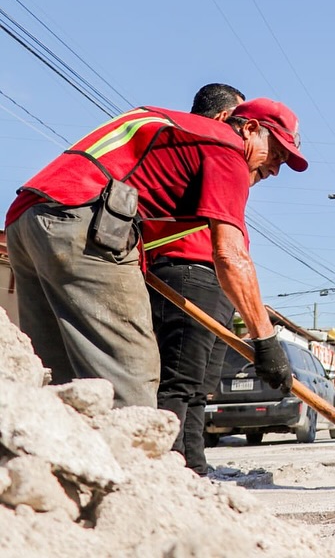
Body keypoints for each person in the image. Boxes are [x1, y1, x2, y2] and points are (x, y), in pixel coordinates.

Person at [7, 97, 305, 411]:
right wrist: (266, 343)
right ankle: (131, 457)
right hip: (84, 224)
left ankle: (62, 456)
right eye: (276, 154)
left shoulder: (181, 132)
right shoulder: (227, 148)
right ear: (250, 128)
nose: (275, 169)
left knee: (63, 377)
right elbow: (231, 255)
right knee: (131, 375)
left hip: (27, 221)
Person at [142, 83, 244, 475]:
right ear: (223, 118)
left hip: (216, 277)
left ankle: (195, 469)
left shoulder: (219, 154)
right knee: (180, 382)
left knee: (201, 387)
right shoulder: (196, 142)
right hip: (187, 269)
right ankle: (168, 471)